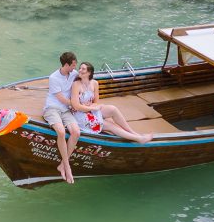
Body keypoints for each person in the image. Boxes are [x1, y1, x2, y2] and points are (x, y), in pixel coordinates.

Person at [70, 62, 152, 144]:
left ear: (89, 72)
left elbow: (95, 102)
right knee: (111, 125)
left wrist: (92, 106)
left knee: (113, 109)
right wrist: (92, 108)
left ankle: (134, 133)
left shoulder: (94, 83)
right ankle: (139, 139)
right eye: (79, 68)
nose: (80, 70)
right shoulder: (76, 84)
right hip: (80, 114)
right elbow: (76, 106)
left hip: (91, 109)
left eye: (83, 69)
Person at [44, 51, 81, 184]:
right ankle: (67, 167)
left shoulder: (74, 74)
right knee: (61, 131)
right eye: (73, 65)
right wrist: (76, 104)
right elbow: (60, 98)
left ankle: (62, 165)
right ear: (66, 65)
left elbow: (85, 81)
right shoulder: (54, 77)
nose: (74, 68)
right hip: (53, 108)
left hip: (66, 110)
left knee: (76, 132)